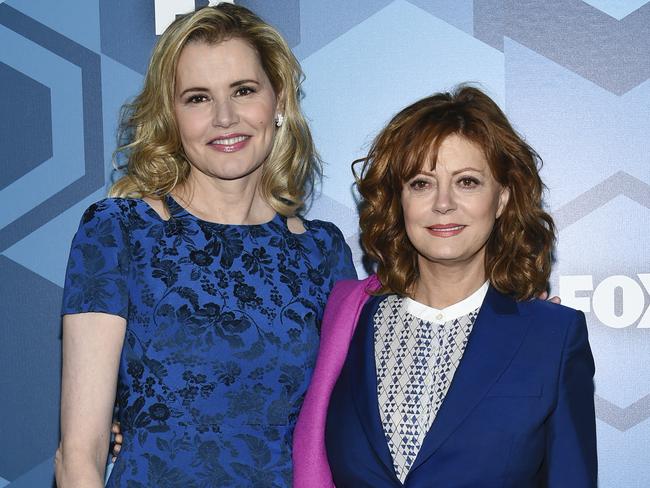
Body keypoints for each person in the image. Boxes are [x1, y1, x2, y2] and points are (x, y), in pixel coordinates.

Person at [54, 4, 355, 487]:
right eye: (197, 98)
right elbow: (79, 457)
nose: (224, 117)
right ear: (171, 116)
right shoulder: (119, 231)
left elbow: (342, 429)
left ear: (278, 101)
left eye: (243, 90)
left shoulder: (323, 253)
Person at [293, 86, 597, 487]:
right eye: (421, 183)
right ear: (398, 200)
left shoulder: (553, 336)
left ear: (502, 198)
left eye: (467, 182)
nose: (443, 203)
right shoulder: (345, 315)